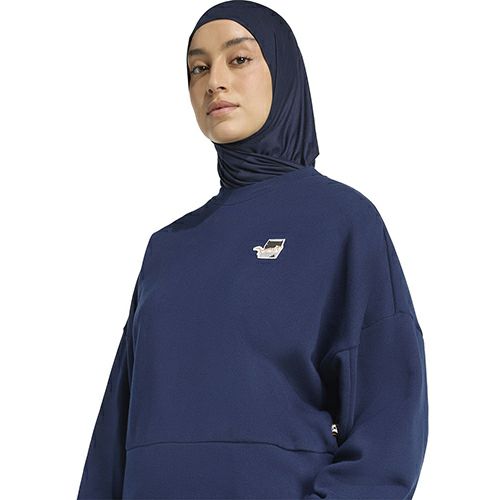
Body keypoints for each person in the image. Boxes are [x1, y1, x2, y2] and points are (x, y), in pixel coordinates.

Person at [77, 1, 429, 499]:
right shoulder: (167, 248)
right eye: (198, 68)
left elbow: (390, 422)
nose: (214, 82)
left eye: (238, 59)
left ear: (284, 73)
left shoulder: (343, 222)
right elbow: (116, 429)